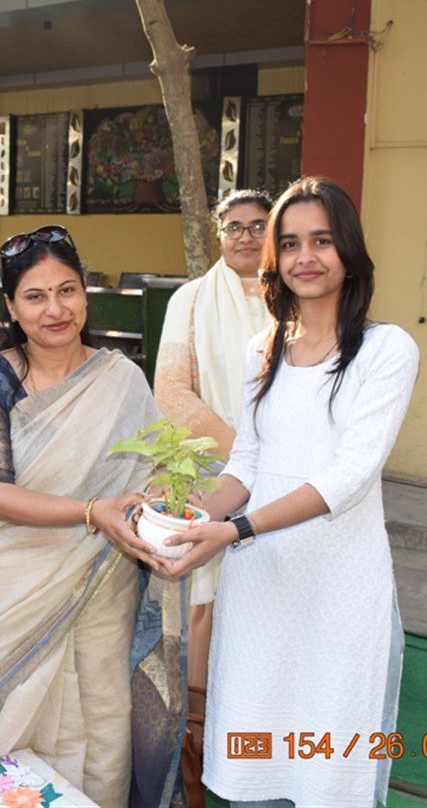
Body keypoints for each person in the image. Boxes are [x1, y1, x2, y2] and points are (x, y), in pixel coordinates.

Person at [160, 177, 420, 808]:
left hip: (340, 586)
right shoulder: (264, 348)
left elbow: (350, 475)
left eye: (322, 241)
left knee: (331, 761)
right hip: (261, 585)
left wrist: (235, 530)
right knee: (258, 757)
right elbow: (246, 464)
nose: (306, 257)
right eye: (292, 242)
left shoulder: (387, 349)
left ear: (349, 250)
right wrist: (186, 515)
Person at [0, 224, 186, 808]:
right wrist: (91, 512)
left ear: (86, 294)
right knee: (15, 732)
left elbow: (158, 467)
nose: (55, 309)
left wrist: (162, 500)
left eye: (67, 291)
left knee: (104, 718)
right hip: (17, 588)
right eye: (35, 296)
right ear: (11, 307)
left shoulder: (120, 378)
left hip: (106, 579)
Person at [153, 188, 274, 747]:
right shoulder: (192, 300)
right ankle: (202, 736)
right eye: (234, 227)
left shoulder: (296, 296)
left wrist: (275, 461)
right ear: (217, 233)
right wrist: (246, 454)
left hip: (286, 479)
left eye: (258, 225)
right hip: (216, 471)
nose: (246, 236)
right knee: (210, 595)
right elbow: (171, 391)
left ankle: (265, 720)